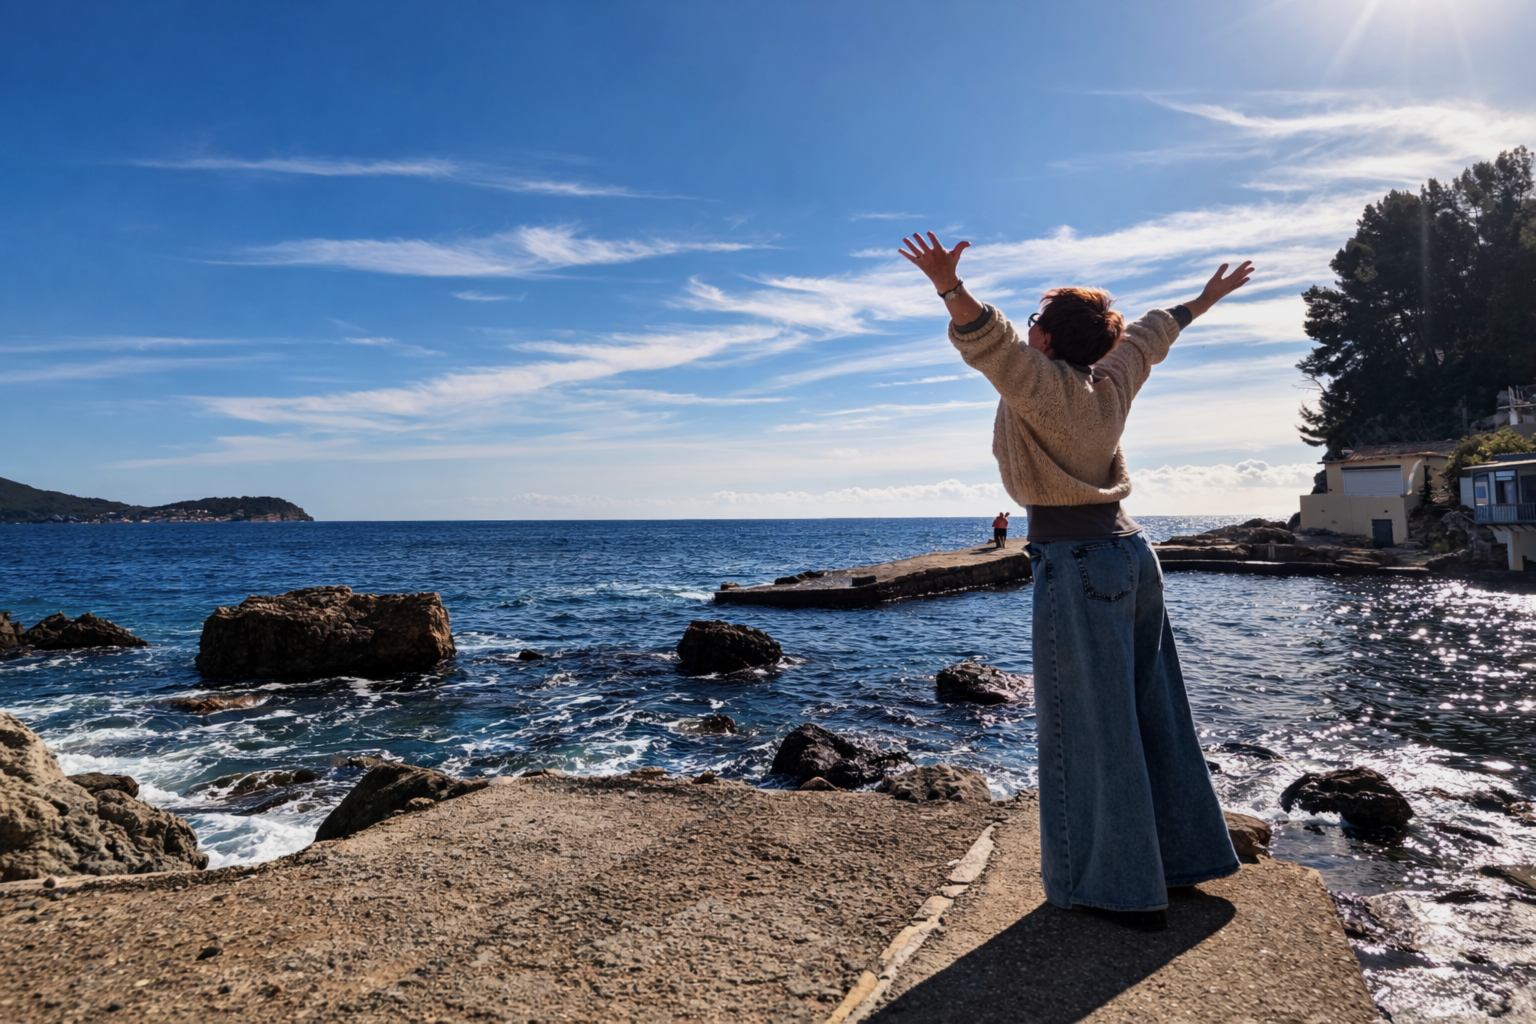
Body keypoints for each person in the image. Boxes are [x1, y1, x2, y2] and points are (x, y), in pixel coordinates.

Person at [900, 230, 1253, 932]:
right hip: (1131, 555)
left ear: (1051, 341)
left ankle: (1114, 889)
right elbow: (1154, 333)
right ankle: (1178, 864)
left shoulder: (1042, 380)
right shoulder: (1113, 378)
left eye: (1037, 324)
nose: (1027, 332)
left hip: (1079, 565)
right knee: (1155, 715)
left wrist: (947, 285)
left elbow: (986, 336)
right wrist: (1203, 301)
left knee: (1088, 731)